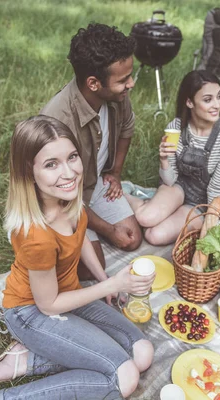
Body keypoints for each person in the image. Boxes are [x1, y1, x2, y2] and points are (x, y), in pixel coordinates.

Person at [0, 116, 155, 400]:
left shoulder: (67, 198)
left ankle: (29, 360)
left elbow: (79, 241)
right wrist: (113, 285)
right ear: (29, 173)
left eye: (72, 157)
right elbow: (48, 304)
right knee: (124, 377)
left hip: (70, 296)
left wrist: (104, 279)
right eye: (51, 164)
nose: (68, 173)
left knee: (143, 353)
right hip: (32, 311)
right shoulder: (36, 236)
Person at [41, 23, 142, 280]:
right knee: (89, 268)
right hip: (60, 197)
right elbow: (58, 195)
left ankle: (93, 227)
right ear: (94, 83)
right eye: (123, 80)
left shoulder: (117, 96)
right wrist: (107, 230)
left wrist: (115, 173)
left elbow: (127, 129)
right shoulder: (58, 119)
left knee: (132, 239)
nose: (130, 84)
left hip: (91, 183)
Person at [125, 70, 220, 245]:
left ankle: (152, 203)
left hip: (204, 202)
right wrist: (164, 160)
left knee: (154, 236)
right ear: (189, 102)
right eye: (208, 100)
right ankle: (123, 193)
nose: (217, 105)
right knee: (144, 219)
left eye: (219, 96)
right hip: (178, 186)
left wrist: (211, 225)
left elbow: (216, 189)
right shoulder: (175, 128)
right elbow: (170, 181)